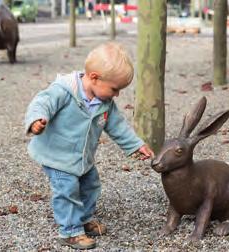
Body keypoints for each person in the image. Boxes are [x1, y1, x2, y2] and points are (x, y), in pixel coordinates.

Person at [24, 42, 154, 250]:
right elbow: (41, 103)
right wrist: (36, 119)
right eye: (115, 89)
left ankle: (83, 219)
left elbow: (118, 126)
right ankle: (70, 231)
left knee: (91, 185)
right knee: (67, 190)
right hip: (57, 157)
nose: (117, 94)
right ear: (94, 77)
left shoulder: (105, 103)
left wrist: (135, 145)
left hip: (82, 158)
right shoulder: (64, 91)